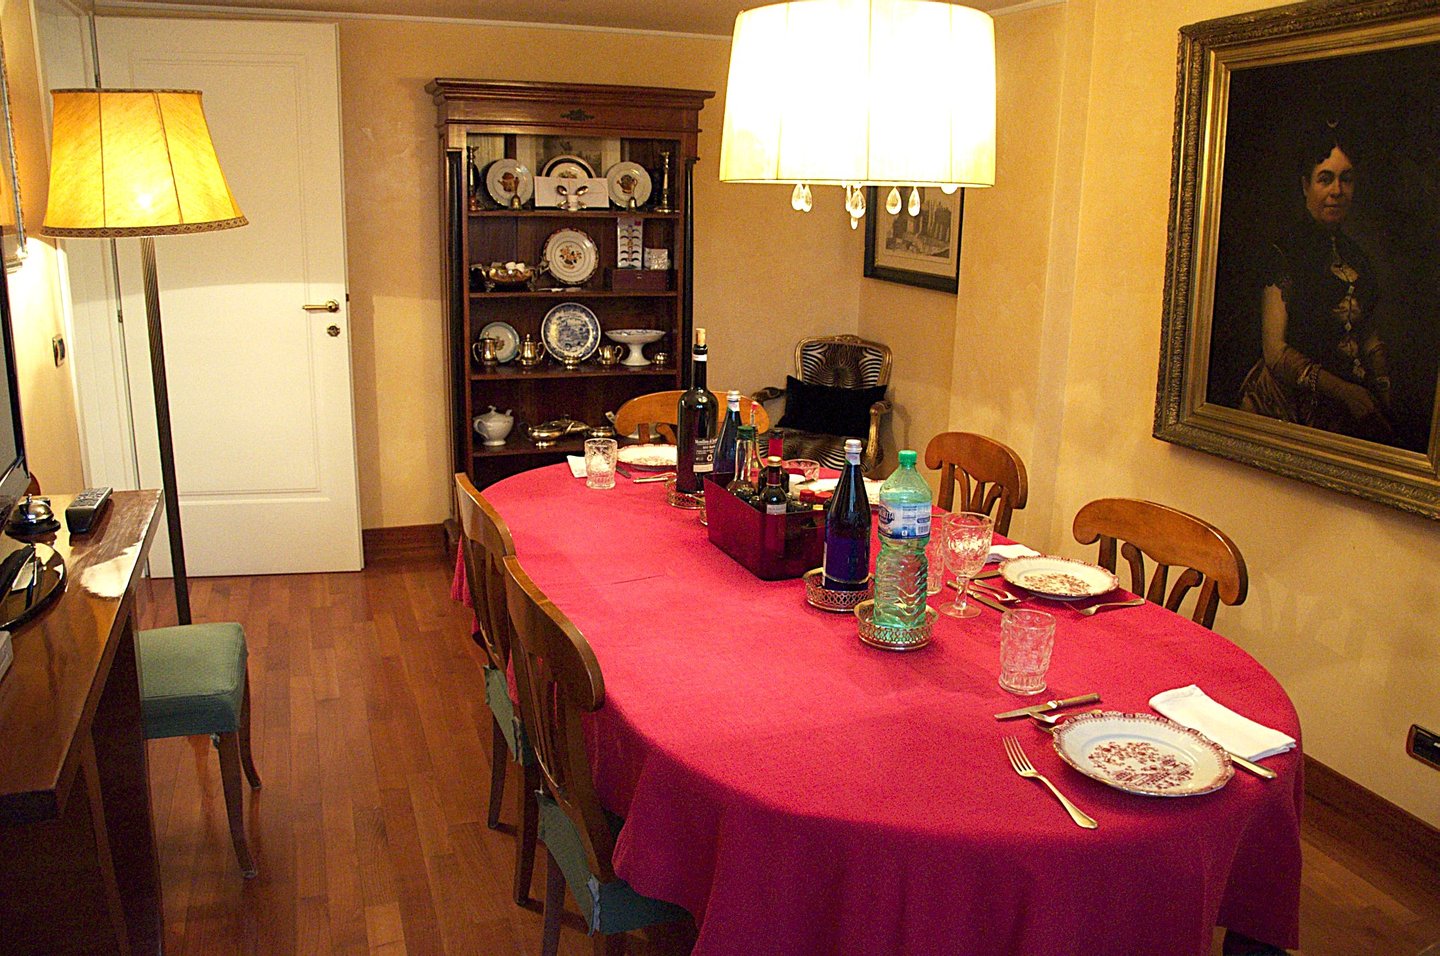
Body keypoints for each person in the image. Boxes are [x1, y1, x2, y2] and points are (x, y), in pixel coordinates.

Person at [1238, 124, 1394, 443]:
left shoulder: (1358, 257)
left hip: (1348, 400)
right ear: (1305, 186)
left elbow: (1366, 332)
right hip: (1284, 401)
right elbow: (1275, 352)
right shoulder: (1283, 252)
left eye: (1346, 179)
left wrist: (1382, 386)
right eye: (1325, 179)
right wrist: (1344, 391)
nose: (1337, 190)